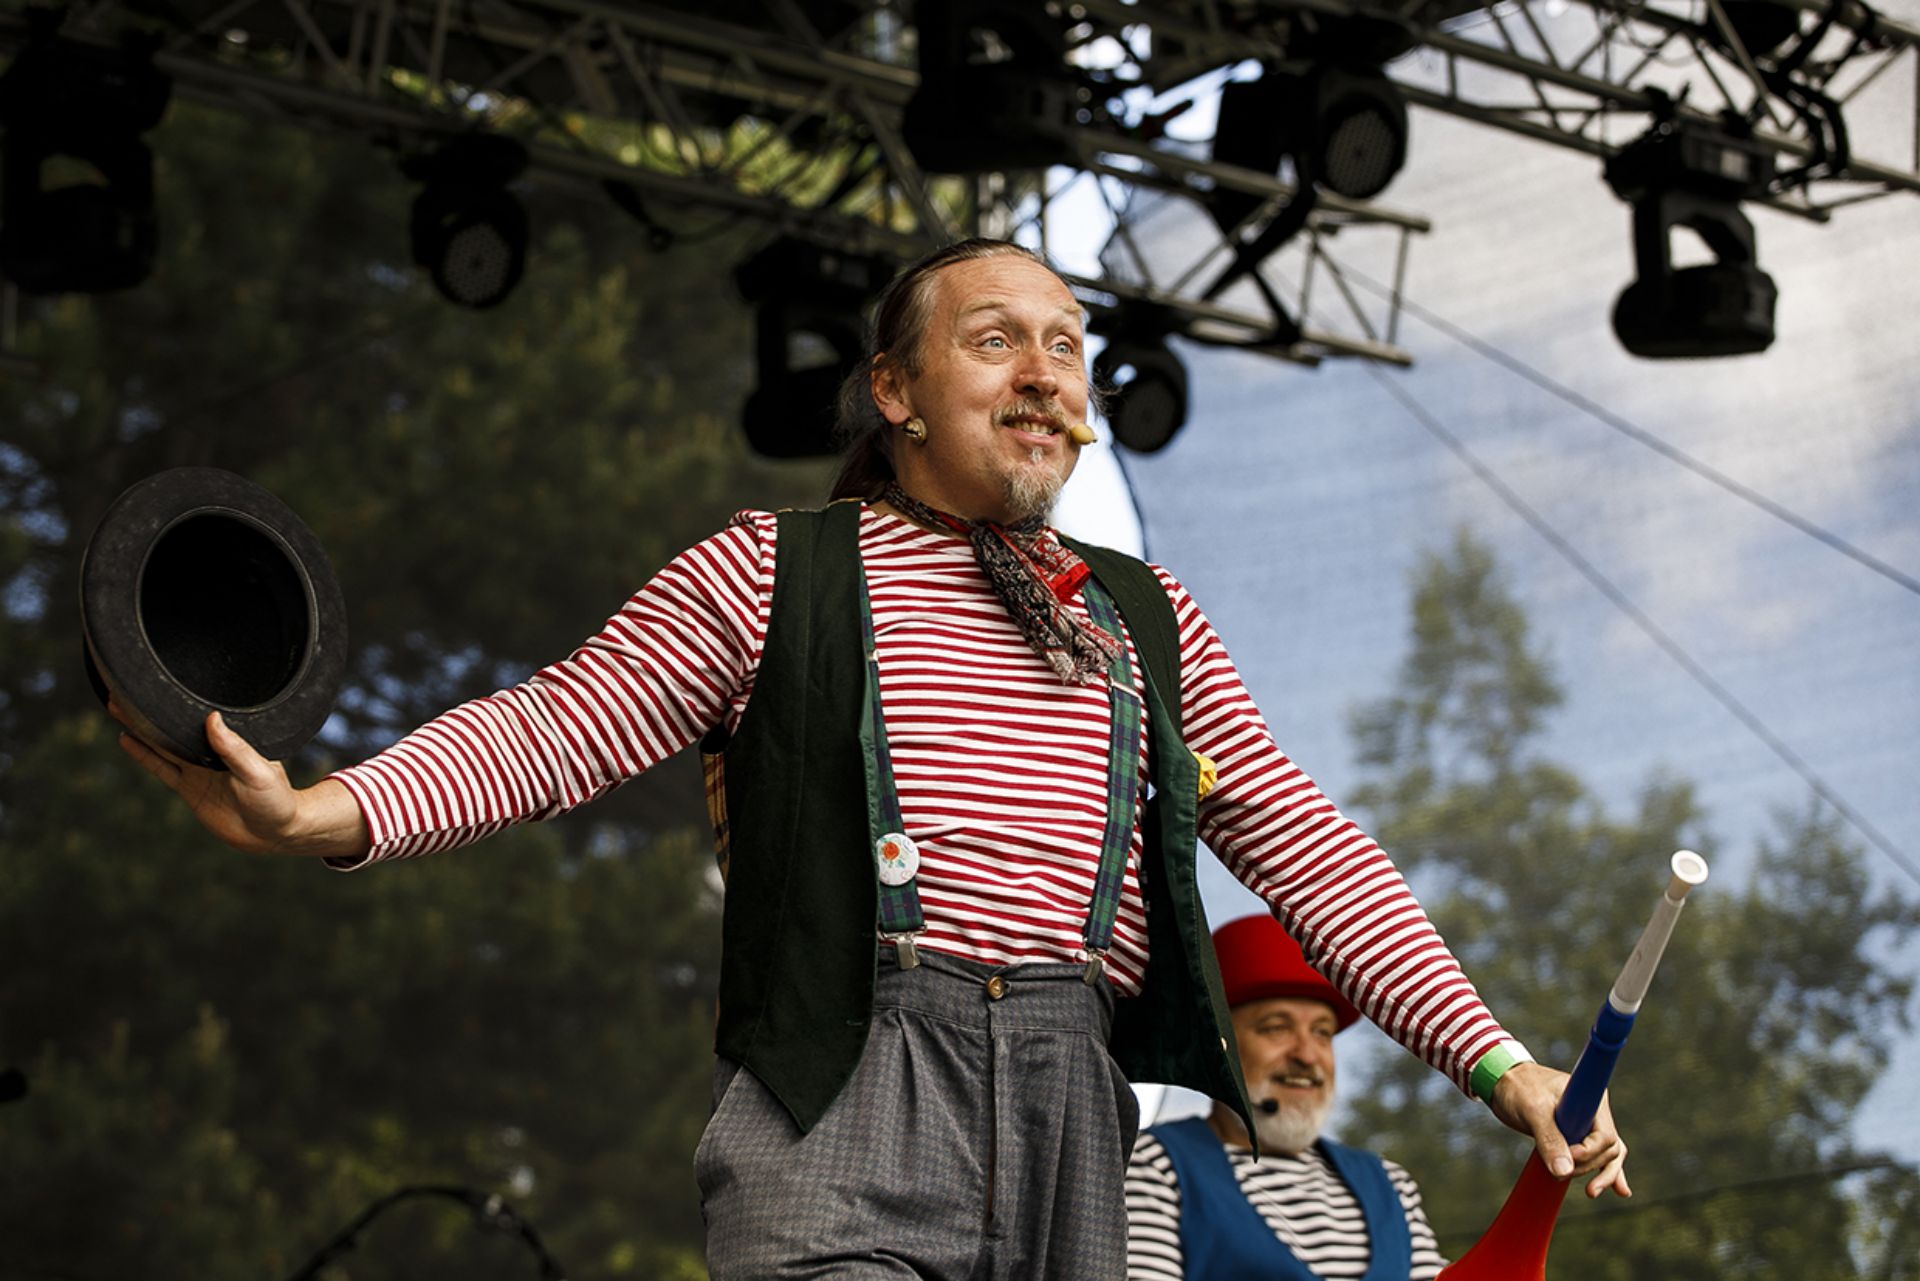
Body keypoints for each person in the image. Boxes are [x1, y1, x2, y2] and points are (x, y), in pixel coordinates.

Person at [115, 238, 1627, 1280]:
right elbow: (559, 726)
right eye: (996, 340)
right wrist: (332, 811)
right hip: (847, 1083)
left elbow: (1307, 845)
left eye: (1066, 346)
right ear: (895, 391)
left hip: (1073, 1103)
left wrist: (1498, 1065)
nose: (1045, 373)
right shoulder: (776, 570)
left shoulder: (1144, 620)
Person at [1127, 914, 1453, 1280]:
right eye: (1276, 1028)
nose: (1307, 1055)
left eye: (1322, 1032)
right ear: (1217, 1047)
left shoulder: (1392, 1185)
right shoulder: (1152, 1165)